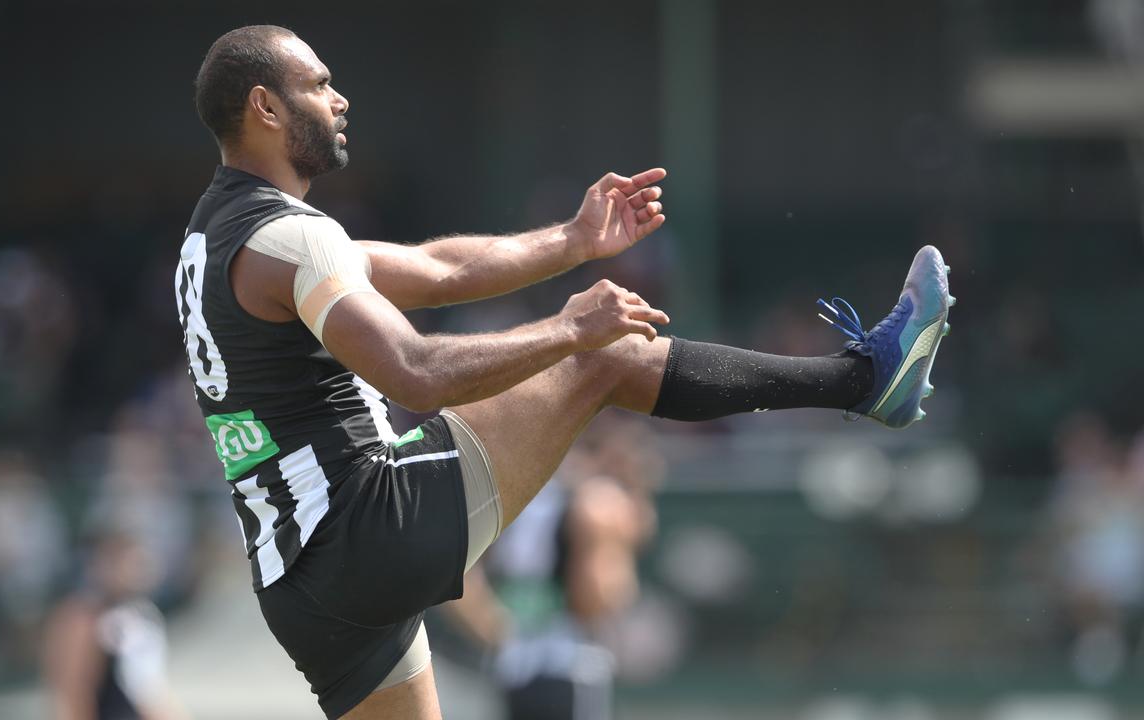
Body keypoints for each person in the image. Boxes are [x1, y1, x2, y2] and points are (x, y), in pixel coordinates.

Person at [175, 24, 953, 719]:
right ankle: (863, 380)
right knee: (603, 359)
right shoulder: (292, 239)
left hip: (300, 590)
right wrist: (568, 329)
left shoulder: (213, 241)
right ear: (265, 109)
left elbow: (434, 268)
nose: (339, 99)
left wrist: (574, 241)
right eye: (317, 84)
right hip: (367, 530)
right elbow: (413, 369)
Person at [445, 413, 663, 720]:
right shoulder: (596, 504)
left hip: (513, 662)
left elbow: (457, 572)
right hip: (570, 660)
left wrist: (496, 630)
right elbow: (598, 599)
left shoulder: (509, 493)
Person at [43, 530, 186, 720]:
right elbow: (73, 691)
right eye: (125, 560)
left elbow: (150, 691)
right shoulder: (84, 617)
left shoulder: (144, 615)